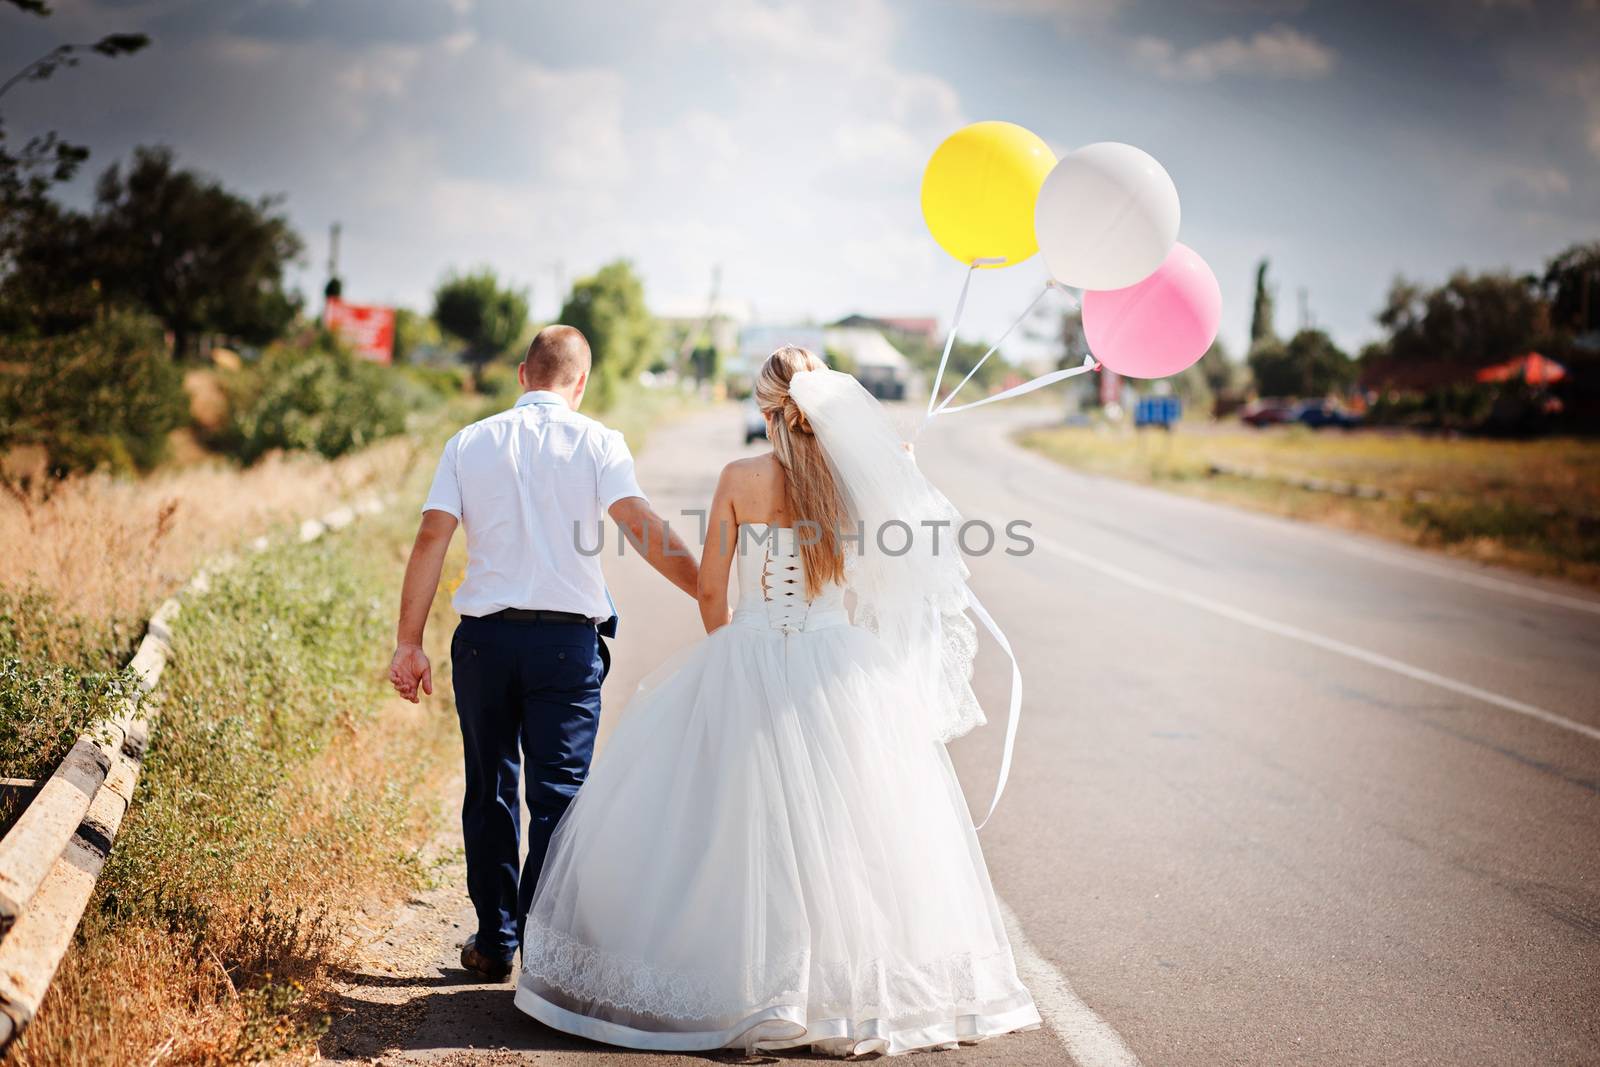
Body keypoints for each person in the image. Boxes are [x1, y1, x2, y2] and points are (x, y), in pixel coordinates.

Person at [513, 346, 1040, 1055]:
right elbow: (899, 574)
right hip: (838, 662)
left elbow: (710, 591)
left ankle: (754, 982)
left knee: (733, 826)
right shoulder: (856, 481)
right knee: (844, 833)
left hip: (752, 647)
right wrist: (895, 471)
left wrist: (732, 655)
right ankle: (840, 989)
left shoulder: (740, 477)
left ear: (766, 408)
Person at [388, 325, 698, 982]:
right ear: (579, 383)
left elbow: (430, 540)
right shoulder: (598, 441)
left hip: (485, 644)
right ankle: (547, 953)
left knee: (489, 789)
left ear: (523, 374)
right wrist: (706, 590)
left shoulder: (468, 442)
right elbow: (640, 523)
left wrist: (409, 642)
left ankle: (496, 940)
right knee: (558, 796)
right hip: (564, 646)